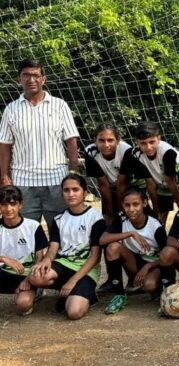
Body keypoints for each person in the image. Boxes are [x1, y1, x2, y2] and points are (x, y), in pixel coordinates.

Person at [0, 59, 79, 224]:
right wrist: (5, 176)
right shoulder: (11, 109)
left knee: (60, 230)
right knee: (25, 231)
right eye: (26, 75)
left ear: (44, 79)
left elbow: (71, 140)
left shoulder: (60, 106)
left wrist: (73, 172)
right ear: (19, 79)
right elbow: (5, 145)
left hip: (56, 181)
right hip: (23, 183)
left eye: (36, 75)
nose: (31, 80)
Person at [27, 174, 105, 320]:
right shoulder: (59, 219)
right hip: (64, 263)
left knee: (74, 312)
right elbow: (53, 247)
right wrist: (47, 259)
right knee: (36, 276)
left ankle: (87, 295)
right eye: (66, 190)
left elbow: (95, 256)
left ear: (85, 193)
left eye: (75, 189)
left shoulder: (95, 218)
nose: (71, 194)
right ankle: (66, 290)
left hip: (85, 269)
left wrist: (73, 281)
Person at [100, 186, 168, 314]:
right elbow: (103, 240)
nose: (131, 209)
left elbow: (168, 256)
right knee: (112, 247)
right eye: (127, 205)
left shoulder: (155, 226)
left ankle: (160, 291)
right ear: (122, 205)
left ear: (144, 203)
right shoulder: (121, 219)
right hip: (135, 263)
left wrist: (148, 266)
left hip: (155, 265)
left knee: (150, 285)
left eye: (135, 204)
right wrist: (130, 234)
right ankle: (120, 295)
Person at [119, 121, 179, 225]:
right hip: (163, 186)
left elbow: (170, 181)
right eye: (143, 143)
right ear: (137, 142)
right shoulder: (136, 154)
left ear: (159, 138)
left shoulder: (167, 152)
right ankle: (160, 230)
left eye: (152, 142)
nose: (148, 147)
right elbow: (150, 183)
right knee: (159, 218)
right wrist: (156, 211)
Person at [0, 185, 48, 315]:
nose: (8, 209)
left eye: (13, 204)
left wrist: (28, 279)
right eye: (4, 204)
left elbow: (40, 258)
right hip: (4, 272)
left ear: (20, 205)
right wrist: (4, 259)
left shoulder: (33, 226)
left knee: (23, 304)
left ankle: (36, 290)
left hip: (26, 274)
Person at [84, 123, 135, 224]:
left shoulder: (127, 150)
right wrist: (110, 215)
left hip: (130, 185)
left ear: (118, 140)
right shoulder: (90, 152)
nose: (106, 145)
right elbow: (103, 184)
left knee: (128, 218)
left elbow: (122, 183)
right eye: (101, 140)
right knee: (108, 219)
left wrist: (122, 213)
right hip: (109, 186)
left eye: (110, 140)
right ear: (95, 140)